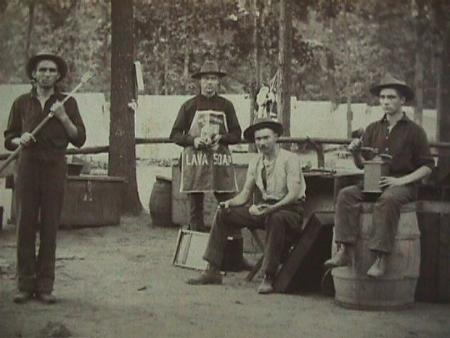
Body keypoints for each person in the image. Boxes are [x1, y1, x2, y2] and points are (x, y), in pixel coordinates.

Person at [324, 75, 434, 277]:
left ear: (403, 100)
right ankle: (344, 251)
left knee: (388, 200)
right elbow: (362, 165)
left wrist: (400, 181)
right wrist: (355, 152)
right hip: (373, 182)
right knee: (346, 195)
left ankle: (380, 258)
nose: (385, 102)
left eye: (391, 97)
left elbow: (427, 166)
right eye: (382, 97)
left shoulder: (415, 131)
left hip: (403, 185)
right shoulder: (373, 128)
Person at [186, 117, 306, 294]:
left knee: (276, 218)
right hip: (264, 209)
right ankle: (212, 269)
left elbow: (293, 194)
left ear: (276, 137)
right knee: (223, 213)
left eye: (266, 138)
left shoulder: (290, 159)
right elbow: (244, 196)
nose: (262, 143)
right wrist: (228, 203)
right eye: (258, 139)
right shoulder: (256, 162)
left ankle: (268, 276)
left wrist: (270, 209)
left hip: (289, 211)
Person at [4, 52, 86, 304]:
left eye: (52, 71)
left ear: (58, 75)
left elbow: (79, 139)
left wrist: (62, 116)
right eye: (43, 70)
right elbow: (9, 138)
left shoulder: (68, 103)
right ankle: (25, 284)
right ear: (33, 74)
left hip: (54, 168)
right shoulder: (21, 103)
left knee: (50, 226)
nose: (47, 74)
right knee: (25, 226)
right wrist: (20, 139)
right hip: (27, 168)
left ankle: (45, 285)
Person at [169, 60, 242, 232]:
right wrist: (193, 141)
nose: (209, 83)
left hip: (218, 160)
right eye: (206, 79)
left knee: (227, 201)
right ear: (200, 81)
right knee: (195, 207)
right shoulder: (188, 106)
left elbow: (237, 134)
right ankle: (196, 239)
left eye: (213, 79)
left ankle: (230, 237)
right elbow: (175, 134)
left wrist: (222, 138)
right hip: (195, 161)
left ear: (218, 82)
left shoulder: (226, 106)